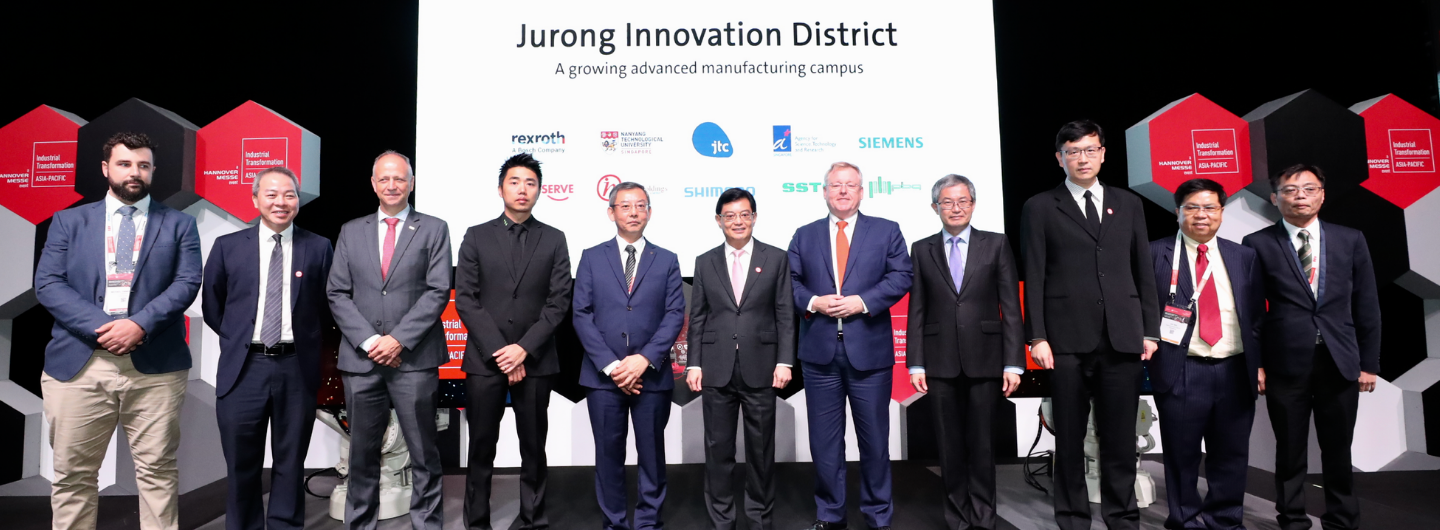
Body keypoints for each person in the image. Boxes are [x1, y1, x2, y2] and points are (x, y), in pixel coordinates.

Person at [35, 131, 202, 530]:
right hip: (79, 366)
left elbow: (186, 282)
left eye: (143, 165)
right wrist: (104, 328)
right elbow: (49, 283)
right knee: (73, 476)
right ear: (106, 168)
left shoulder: (179, 224)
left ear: (153, 171)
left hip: (155, 367)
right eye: (125, 164)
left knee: (157, 473)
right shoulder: (69, 221)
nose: (135, 172)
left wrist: (138, 325)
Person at [1020, 120, 1159, 530]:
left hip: (1122, 338)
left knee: (1119, 438)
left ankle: (1121, 516)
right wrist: (1037, 335)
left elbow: (1143, 272)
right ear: (1059, 158)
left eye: (1090, 150)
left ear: (1102, 153)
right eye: (1073, 151)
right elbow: (1036, 273)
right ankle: (1072, 517)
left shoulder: (1128, 204)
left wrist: (1149, 331)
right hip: (1064, 342)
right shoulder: (1041, 206)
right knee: (1070, 439)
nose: (1083, 158)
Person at [1242, 164, 1380, 530]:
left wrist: (1370, 363)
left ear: (1322, 194)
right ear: (1275, 198)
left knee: (1338, 451)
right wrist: (1255, 364)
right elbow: (1252, 312)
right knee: (1289, 451)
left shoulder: (1350, 239)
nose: (1299, 195)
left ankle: (1342, 519)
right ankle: (1292, 519)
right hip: (1284, 364)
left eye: (1309, 188)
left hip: (1340, 362)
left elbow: (1367, 304)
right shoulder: (1257, 243)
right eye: (1290, 190)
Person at [202, 166, 335, 530]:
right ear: (255, 199)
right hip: (244, 368)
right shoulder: (228, 247)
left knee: (290, 461)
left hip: (296, 367)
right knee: (241, 463)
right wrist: (242, 340)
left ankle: (284, 526)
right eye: (272, 194)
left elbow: (327, 309)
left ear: (298, 200)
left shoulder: (319, 247)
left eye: (289, 195)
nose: (281, 202)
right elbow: (214, 307)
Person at [327, 151, 453, 530]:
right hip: (361, 363)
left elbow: (437, 290)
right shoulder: (352, 230)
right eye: (384, 179)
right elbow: (337, 292)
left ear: (411, 183)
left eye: (399, 179)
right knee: (361, 456)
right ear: (373, 184)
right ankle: (360, 524)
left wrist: (397, 340)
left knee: (423, 454)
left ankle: (427, 525)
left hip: (413, 359)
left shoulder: (433, 228)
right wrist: (370, 341)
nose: (392, 185)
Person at [788, 162, 912, 530]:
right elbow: (790, 283)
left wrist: (863, 301)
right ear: (824, 192)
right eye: (835, 185)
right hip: (819, 355)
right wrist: (814, 302)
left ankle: (877, 514)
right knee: (825, 445)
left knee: (874, 441)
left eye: (850, 185)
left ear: (862, 192)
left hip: (870, 353)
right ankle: (830, 514)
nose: (843, 191)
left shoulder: (887, 231)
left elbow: (902, 275)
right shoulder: (804, 235)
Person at [454, 153, 573, 530]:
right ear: (501, 188)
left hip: (536, 359)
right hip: (484, 360)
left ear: (540, 190)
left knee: (534, 448)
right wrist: (502, 352)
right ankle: (477, 522)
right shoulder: (476, 235)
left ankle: (533, 519)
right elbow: (467, 299)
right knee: (481, 448)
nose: (523, 189)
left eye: (530, 183)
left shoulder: (554, 239)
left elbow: (558, 303)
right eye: (515, 182)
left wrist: (523, 349)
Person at [906, 174, 1023, 530]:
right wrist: (915, 363)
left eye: (962, 201)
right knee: (949, 447)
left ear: (972, 204)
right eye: (947, 202)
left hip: (986, 360)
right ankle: (956, 517)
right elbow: (917, 310)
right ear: (934, 207)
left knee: (983, 445)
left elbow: (1011, 309)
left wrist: (1014, 363)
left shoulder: (997, 244)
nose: (955, 208)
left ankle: (984, 517)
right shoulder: (921, 248)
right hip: (938, 361)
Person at [1147, 178, 1263, 530]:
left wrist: (1258, 365)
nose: (1202, 215)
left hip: (1234, 369)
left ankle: (1225, 519)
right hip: (1182, 369)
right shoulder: (1155, 252)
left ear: (1222, 213)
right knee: (1181, 455)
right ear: (1177, 212)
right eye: (1192, 207)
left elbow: (1256, 315)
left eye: (1210, 207)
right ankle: (1186, 518)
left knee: (1231, 454)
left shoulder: (1243, 256)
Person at [572, 182, 685, 530]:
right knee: (608, 457)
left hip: (650, 376)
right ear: (611, 212)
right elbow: (581, 314)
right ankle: (615, 522)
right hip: (603, 378)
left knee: (652, 454)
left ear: (649, 212)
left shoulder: (666, 259)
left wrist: (643, 360)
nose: (634, 212)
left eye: (640, 206)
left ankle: (649, 521)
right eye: (625, 206)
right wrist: (612, 365)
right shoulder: (592, 256)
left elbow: (674, 314)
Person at [685, 188, 795, 530]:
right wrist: (694, 362)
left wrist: (785, 361)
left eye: (744, 214)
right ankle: (722, 519)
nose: (738, 221)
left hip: (762, 367)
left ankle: (759, 518)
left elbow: (785, 314)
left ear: (755, 217)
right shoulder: (705, 261)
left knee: (761, 451)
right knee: (718, 450)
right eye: (730, 215)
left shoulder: (776, 258)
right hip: (715, 368)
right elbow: (698, 316)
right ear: (718, 220)